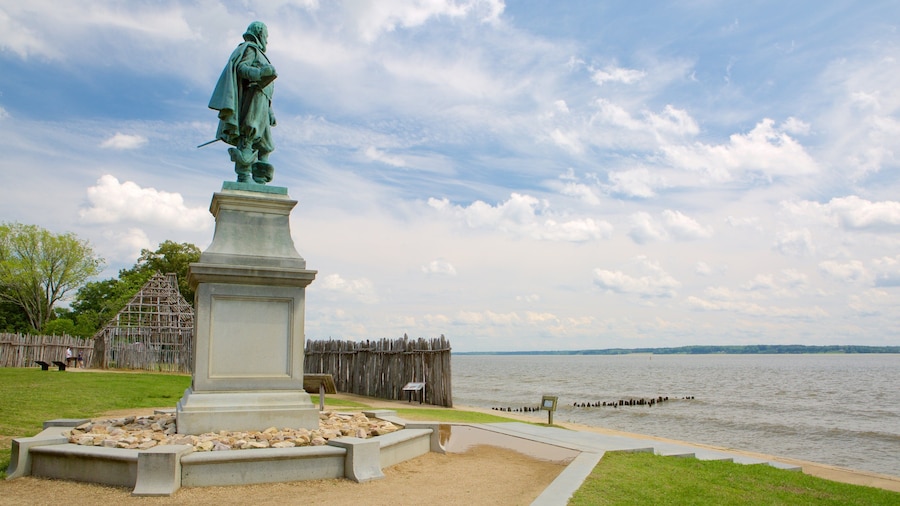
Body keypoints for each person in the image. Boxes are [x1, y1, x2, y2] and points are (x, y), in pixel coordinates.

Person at [209, 21, 278, 184]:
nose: (266, 40)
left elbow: (267, 89)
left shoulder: (260, 53)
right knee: (249, 134)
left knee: (265, 143)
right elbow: (241, 68)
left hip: (263, 101)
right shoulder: (250, 49)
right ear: (260, 34)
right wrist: (260, 72)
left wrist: (270, 111)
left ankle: (260, 178)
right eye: (266, 36)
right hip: (253, 99)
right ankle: (244, 175)